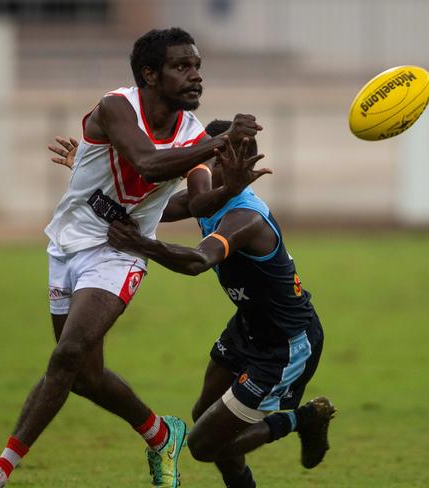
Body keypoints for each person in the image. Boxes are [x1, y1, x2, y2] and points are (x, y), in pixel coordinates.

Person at [0, 28, 268, 488]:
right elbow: (146, 162)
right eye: (182, 67)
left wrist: (231, 186)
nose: (195, 76)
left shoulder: (192, 132)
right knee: (84, 375)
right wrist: (217, 144)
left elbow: (197, 202)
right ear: (149, 74)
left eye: (198, 66)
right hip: (66, 245)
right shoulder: (116, 107)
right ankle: (161, 434)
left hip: (122, 252)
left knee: (67, 355)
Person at [106, 119, 336, 488]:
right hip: (248, 326)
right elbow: (147, 207)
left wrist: (142, 244)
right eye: (195, 166)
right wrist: (92, 177)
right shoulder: (206, 198)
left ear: (229, 167)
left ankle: (301, 419)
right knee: (204, 414)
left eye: (203, 165)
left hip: (285, 344)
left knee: (203, 445)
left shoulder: (245, 218)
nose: (193, 175)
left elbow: (199, 260)